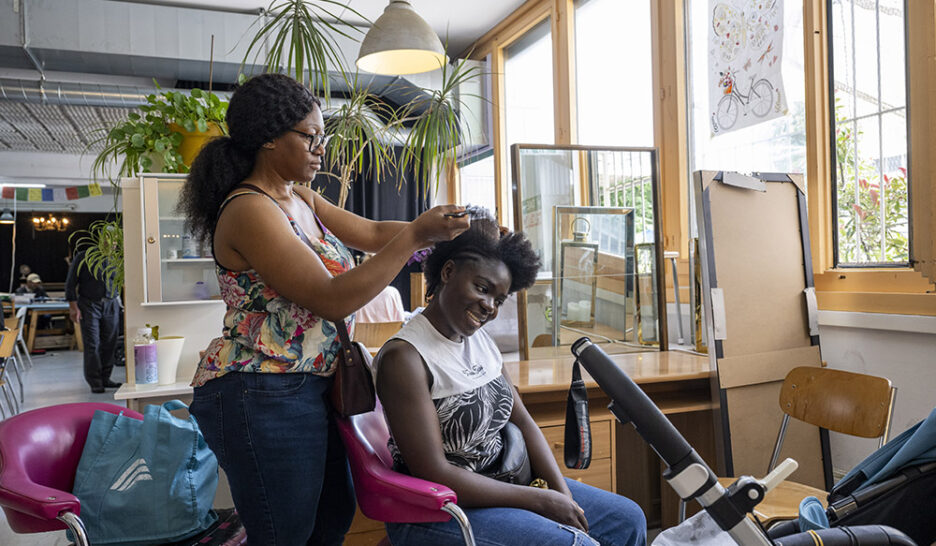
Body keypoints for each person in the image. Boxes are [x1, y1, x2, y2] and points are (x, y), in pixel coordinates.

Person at [178, 73, 469, 546]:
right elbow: (331, 297)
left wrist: (447, 232)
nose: (321, 149)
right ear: (269, 138)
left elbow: (373, 233)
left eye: (323, 137)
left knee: (332, 522)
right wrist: (417, 235)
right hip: (262, 390)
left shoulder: (299, 197)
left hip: (314, 386)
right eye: (310, 136)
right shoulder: (250, 209)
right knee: (285, 534)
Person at [375, 210, 647, 546]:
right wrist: (540, 501)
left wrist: (562, 496)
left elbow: (523, 422)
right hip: (441, 508)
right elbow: (434, 472)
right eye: (482, 288)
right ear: (448, 272)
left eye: (499, 300)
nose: (489, 306)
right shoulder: (405, 357)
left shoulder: (479, 340)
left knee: (628, 520)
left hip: (506, 483)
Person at [66, 249, 121, 393]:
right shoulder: (83, 256)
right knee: (92, 344)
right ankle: (95, 382)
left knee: (110, 343)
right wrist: (73, 307)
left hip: (111, 303)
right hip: (89, 304)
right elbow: (70, 282)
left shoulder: (116, 257)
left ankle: (105, 378)